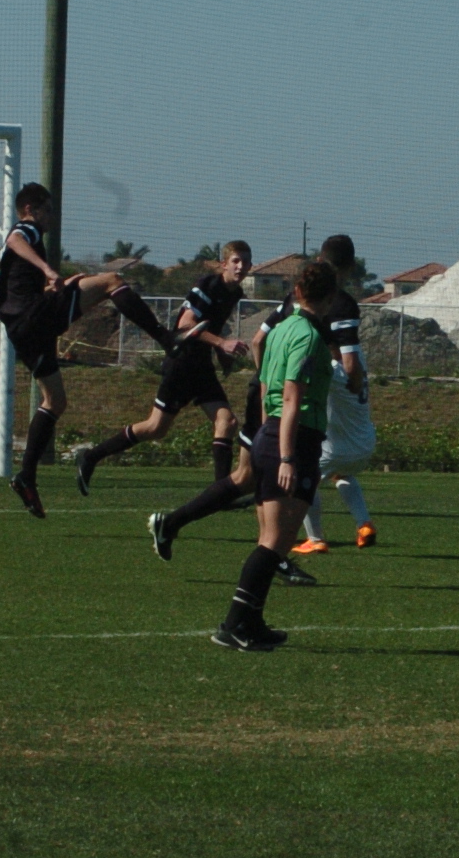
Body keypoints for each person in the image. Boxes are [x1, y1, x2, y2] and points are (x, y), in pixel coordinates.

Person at [147, 233, 362, 582]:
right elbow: (350, 366)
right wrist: (353, 385)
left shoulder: (295, 298)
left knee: (248, 477)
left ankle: (173, 524)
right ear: (349, 267)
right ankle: (271, 558)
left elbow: (258, 340)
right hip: (290, 405)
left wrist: (264, 384)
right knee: (273, 478)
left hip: (263, 394)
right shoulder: (340, 302)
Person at [0, 182, 180, 518]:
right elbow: (15, 239)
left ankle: (26, 476)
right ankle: (166, 339)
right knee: (112, 281)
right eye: (47, 209)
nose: (51, 216)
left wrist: (62, 282)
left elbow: (19, 285)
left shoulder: (18, 258)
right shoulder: (27, 229)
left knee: (55, 401)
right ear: (29, 210)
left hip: (20, 330)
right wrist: (49, 270)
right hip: (33, 316)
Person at [211, 258, 336, 652]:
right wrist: (286, 456)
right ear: (330, 298)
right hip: (295, 439)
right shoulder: (309, 337)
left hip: (270, 433)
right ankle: (234, 623)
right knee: (275, 541)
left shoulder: (280, 329)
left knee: (275, 540)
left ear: (297, 292)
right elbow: (293, 397)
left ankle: (252, 621)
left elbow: (266, 386)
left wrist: (267, 436)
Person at [74, 240, 253, 495]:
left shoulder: (234, 292)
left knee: (227, 421)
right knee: (155, 427)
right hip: (182, 362)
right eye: (236, 261)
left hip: (201, 365)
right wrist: (222, 343)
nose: (241, 266)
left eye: (245, 262)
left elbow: (209, 326)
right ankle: (90, 456)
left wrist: (220, 352)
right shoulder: (208, 285)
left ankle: (220, 494)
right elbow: (185, 324)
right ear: (223, 264)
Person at [293, 233, 376, 554]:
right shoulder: (357, 359)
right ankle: (364, 524)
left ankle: (315, 539)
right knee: (340, 474)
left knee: (302, 475)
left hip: (341, 445)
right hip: (363, 443)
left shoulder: (332, 370)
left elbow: (330, 376)